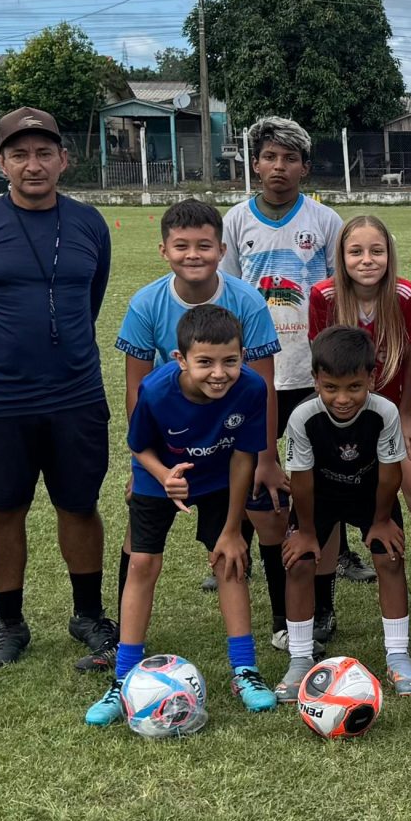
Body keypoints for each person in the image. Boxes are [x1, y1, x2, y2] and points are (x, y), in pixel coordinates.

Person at [0, 107, 116, 673]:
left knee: (80, 505)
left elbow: (90, 303)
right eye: (19, 154)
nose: (32, 165)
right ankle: (8, 622)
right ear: (1, 161)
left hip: (76, 393)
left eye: (44, 153)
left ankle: (88, 614)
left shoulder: (90, 225)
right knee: (3, 509)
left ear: (64, 159)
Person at [110, 199, 282, 666]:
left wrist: (266, 459)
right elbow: (136, 390)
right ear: (163, 250)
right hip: (165, 447)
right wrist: (145, 465)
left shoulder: (245, 300)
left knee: (251, 527)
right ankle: (122, 648)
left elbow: (261, 386)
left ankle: (281, 630)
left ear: (221, 249)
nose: (193, 255)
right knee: (140, 545)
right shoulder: (146, 303)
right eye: (181, 246)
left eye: (204, 245)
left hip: (226, 447)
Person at [87, 304, 272, 725]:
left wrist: (231, 529)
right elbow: (139, 447)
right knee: (143, 563)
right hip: (160, 474)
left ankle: (245, 671)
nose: (219, 373)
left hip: (221, 476)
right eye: (204, 362)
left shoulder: (252, 388)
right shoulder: (155, 390)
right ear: (180, 359)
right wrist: (163, 475)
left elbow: (245, 457)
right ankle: (123, 680)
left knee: (230, 561)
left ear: (243, 355)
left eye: (230, 361)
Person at [221, 115, 344, 653]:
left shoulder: (325, 220)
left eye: (289, 159)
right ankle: (281, 612)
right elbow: (225, 292)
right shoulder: (234, 221)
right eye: (270, 157)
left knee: (318, 494)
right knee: (266, 494)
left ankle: (323, 608)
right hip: (253, 378)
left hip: (311, 374)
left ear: (305, 167)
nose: (279, 167)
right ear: (255, 163)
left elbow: (343, 291)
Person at [276, 327, 411, 697]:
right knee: (300, 561)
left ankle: (398, 656)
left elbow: (390, 474)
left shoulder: (383, 412)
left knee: (390, 558)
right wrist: (305, 532)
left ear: (371, 377)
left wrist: (382, 521)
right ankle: (300, 658)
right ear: (316, 379)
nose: (342, 398)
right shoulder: (303, 417)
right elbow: (301, 481)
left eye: (354, 387)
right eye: (331, 387)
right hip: (319, 496)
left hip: (371, 494)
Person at [307, 214, 411, 593]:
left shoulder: (405, 295)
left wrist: (408, 414)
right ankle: (323, 605)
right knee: (323, 505)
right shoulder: (323, 296)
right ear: (341, 257)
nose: (367, 260)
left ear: (389, 255)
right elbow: (321, 363)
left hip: (394, 412)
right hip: (342, 416)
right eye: (355, 251)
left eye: (376, 251)